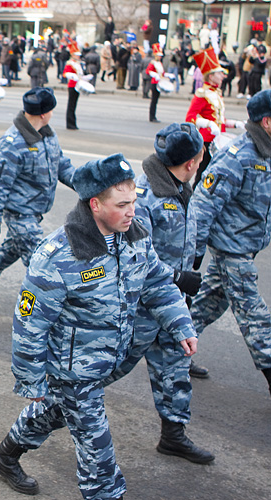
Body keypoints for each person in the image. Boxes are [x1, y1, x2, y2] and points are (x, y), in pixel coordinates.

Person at [0, 153, 198, 500]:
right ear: (95, 204)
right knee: (97, 453)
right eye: (122, 204)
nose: (132, 211)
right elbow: (29, 323)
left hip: (107, 361)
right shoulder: (58, 255)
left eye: (134, 201)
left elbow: (157, 282)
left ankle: (5, 456)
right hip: (72, 371)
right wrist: (30, 378)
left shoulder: (135, 237)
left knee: (53, 412)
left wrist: (180, 323)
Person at [102, 122, 215, 464]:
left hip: (167, 302)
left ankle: (173, 434)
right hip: (137, 309)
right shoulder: (145, 198)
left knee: (175, 365)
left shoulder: (180, 184)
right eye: (200, 154)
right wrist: (179, 277)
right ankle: (33, 423)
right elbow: (135, 262)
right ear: (192, 162)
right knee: (101, 374)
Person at [190, 90, 271, 398]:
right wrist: (195, 251)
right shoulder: (239, 155)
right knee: (254, 314)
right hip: (231, 247)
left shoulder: (267, 152)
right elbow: (204, 203)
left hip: (248, 243)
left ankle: (174, 348)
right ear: (266, 122)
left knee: (211, 301)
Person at [0, 88, 75, 307]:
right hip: (19, 213)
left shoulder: (47, 134)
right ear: (43, 113)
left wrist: (82, 184)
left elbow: (61, 164)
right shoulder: (13, 142)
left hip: (35, 211)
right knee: (41, 263)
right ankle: (44, 314)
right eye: (51, 110)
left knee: (9, 252)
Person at [186, 47, 245, 190]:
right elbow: (190, 117)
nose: (223, 76)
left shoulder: (217, 94)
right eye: (220, 73)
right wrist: (208, 124)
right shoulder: (202, 93)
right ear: (211, 76)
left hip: (218, 139)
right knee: (202, 174)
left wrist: (236, 124)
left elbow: (220, 120)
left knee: (216, 174)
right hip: (206, 141)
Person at [63, 43, 84, 130]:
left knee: (74, 105)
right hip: (72, 85)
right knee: (71, 105)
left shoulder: (77, 64)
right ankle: (70, 123)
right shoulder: (70, 63)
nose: (78, 57)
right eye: (77, 55)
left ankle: (73, 122)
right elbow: (65, 74)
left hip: (77, 85)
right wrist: (72, 75)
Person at [146, 44, 165, 122]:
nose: (160, 57)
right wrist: (155, 75)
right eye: (159, 55)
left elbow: (162, 73)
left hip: (159, 82)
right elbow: (148, 71)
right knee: (153, 101)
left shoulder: (160, 63)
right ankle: (152, 117)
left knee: (156, 101)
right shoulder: (153, 63)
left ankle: (154, 116)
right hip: (154, 83)